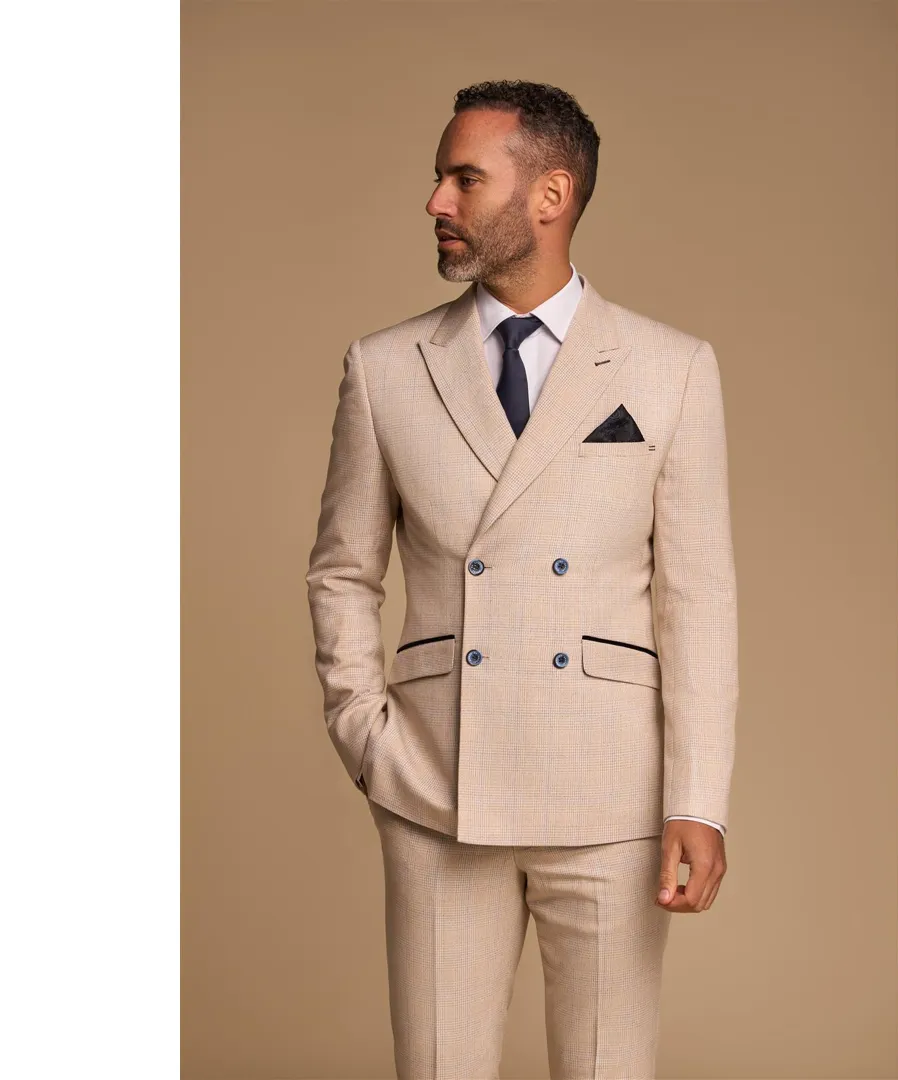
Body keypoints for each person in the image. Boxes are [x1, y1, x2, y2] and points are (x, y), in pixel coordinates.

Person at [306, 79, 738, 1080]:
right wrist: (367, 736)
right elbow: (341, 571)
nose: (436, 201)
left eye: (464, 178)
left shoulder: (670, 368)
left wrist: (699, 800)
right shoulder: (386, 367)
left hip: (611, 795)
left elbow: (699, 599)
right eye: (439, 178)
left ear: (550, 196)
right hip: (435, 784)